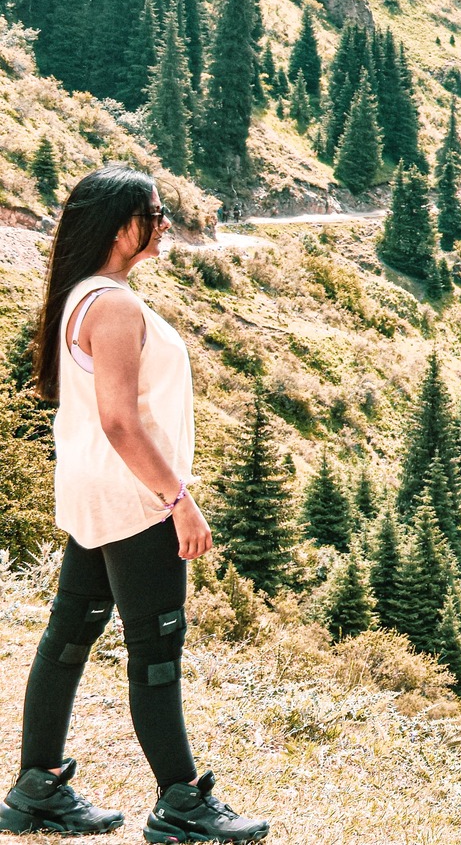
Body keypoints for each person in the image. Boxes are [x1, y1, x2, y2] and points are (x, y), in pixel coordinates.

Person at [3, 167, 268, 841]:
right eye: (155, 211)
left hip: (94, 493)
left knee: (70, 634)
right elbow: (122, 420)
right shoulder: (114, 306)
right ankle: (180, 801)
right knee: (156, 649)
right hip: (135, 497)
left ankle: (36, 788)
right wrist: (178, 498)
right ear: (124, 226)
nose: (166, 222)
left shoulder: (81, 297)